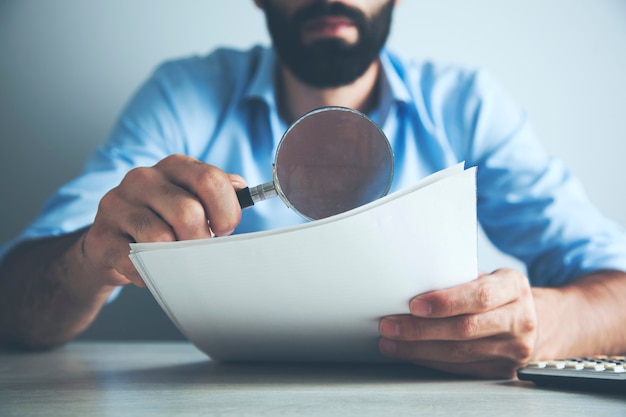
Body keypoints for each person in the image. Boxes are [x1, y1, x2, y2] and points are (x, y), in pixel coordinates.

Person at [1, 0, 625, 378]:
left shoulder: (466, 104)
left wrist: (540, 323)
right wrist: (92, 257)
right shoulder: (183, 95)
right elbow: (12, 307)